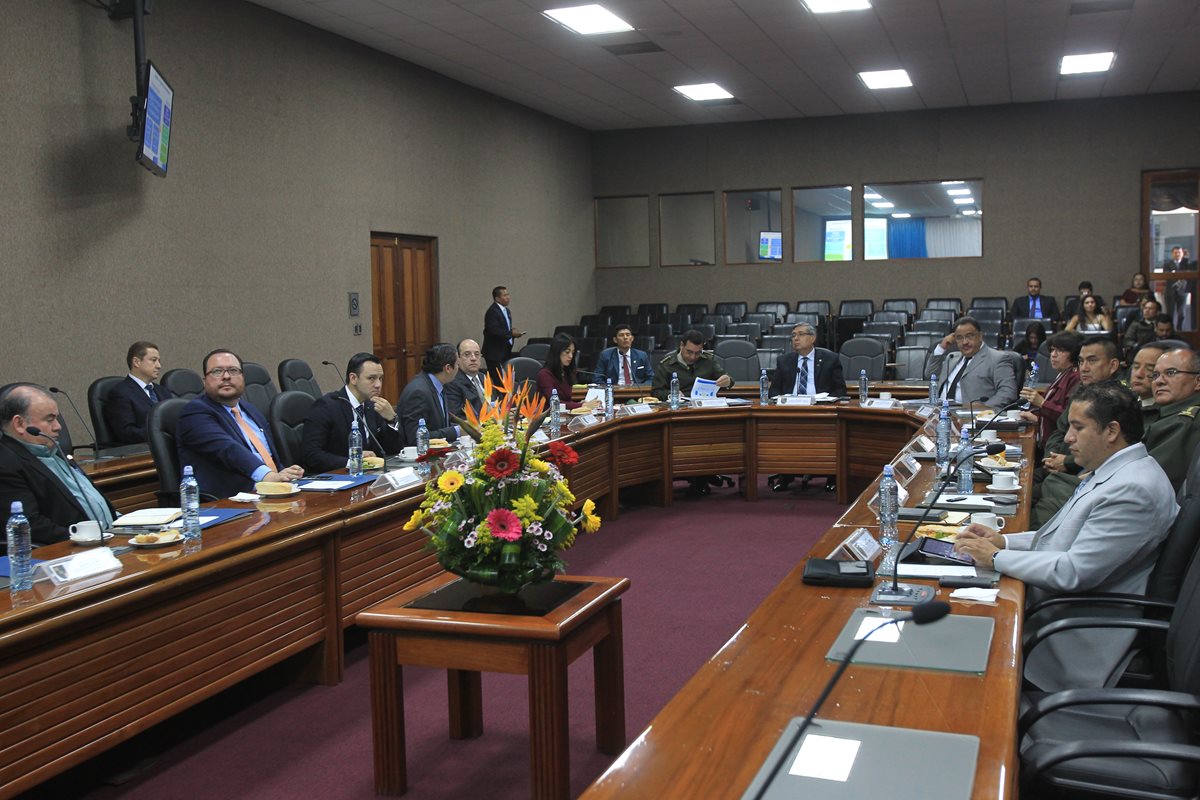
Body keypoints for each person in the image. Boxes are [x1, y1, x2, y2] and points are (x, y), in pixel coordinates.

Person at [955, 382, 1177, 691]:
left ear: (1111, 431)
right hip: (1050, 610)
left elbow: (1073, 572)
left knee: (959, 650)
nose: (1068, 437)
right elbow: (1062, 536)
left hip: (1070, 634)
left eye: (1078, 427)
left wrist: (994, 558)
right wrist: (1004, 542)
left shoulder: (1133, 490)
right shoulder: (1117, 471)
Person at [177, 349, 304, 498]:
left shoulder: (250, 410)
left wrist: (284, 474)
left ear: (243, 378)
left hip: (269, 492)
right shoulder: (194, 413)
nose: (226, 376)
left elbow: (268, 455)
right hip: (229, 500)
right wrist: (268, 476)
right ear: (205, 381)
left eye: (233, 370)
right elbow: (227, 449)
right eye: (217, 371)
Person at [0, 384, 117, 544]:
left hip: (108, 537)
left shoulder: (53, 451)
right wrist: (86, 538)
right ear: (19, 424)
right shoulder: (6, 464)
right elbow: (31, 526)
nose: (58, 427)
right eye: (50, 420)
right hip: (75, 548)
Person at [767, 322, 846, 493]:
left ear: (812, 338)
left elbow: (840, 390)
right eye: (793, 335)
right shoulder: (784, 360)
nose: (796, 338)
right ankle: (786, 473)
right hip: (790, 410)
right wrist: (781, 399)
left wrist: (827, 401)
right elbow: (774, 390)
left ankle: (832, 474)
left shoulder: (830, 359)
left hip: (821, 410)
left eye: (800, 334)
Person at [299, 352, 404, 473]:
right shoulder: (326, 407)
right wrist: (353, 462)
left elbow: (392, 450)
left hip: (370, 475)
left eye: (380, 378)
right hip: (338, 476)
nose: (378, 385)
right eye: (371, 378)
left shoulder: (372, 406)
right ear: (353, 378)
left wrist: (391, 420)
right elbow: (311, 455)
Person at [923, 316, 1019, 409]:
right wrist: (942, 347)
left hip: (970, 415)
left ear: (980, 336)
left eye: (969, 336)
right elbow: (930, 374)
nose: (965, 342)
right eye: (959, 337)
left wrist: (984, 407)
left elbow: (1008, 392)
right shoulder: (952, 357)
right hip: (940, 412)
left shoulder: (997, 358)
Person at [1141, 347, 1200, 489]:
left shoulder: (1187, 422)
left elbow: (1146, 477)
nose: (1159, 381)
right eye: (1155, 375)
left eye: (1170, 373)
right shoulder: (1158, 411)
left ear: (1198, 381)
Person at [103, 340, 175, 445]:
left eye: (159, 361)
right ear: (136, 362)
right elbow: (127, 434)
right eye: (153, 360)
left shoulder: (163, 391)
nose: (159, 366)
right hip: (144, 450)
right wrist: (161, 433)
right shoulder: (120, 393)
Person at [1018, 331, 1081, 447]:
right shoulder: (1062, 374)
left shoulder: (1076, 378)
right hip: (1048, 442)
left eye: (1060, 350)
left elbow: (1069, 418)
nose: (1053, 355)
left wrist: (1042, 403)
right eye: (1052, 350)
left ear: (1074, 353)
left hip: (1061, 446)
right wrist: (1036, 418)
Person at [398, 343, 461, 445]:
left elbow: (441, 425)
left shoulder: (439, 385)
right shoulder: (419, 392)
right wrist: (456, 431)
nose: (459, 368)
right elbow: (416, 438)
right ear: (448, 368)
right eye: (458, 364)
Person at [651, 329, 733, 400]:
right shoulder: (667, 364)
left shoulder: (709, 360)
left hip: (704, 405)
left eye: (697, 353)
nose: (693, 357)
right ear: (681, 345)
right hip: (679, 406)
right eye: (689, 352)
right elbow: (656, 392)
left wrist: (728, 381)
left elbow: (728, 380)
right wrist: (670, 394)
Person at [535, 333, 597, 410]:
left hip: (564, 414)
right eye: (567, 352)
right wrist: (581, 405)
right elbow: (555, 403)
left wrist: (580, 404)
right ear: (557, 352)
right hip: (549, 416)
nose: (571, 356)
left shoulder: (566, 372)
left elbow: (567, 400)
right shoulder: (544, 375)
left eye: (572, 352)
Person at [482, 286, 525, 381]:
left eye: (508, 294)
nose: (508, 297)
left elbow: (503, 328)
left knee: (506, 380)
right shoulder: (492, 311)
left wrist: (512, 332)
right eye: (505, 295)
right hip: (494, 352)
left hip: (505, 351)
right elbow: (493, 331)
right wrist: (511, 333)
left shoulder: (506, 311)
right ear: (497, 298)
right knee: (499, 381)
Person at [444, 338, 490, 418]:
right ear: (458, 358)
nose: (473, 358)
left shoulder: (485, 377)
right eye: (467, 354)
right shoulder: (452, 382)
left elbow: (495, 403)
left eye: (477, 354)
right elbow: (456, 417)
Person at [1129, 342, 1171, 412]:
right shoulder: (1122, 402)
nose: (1139, 374)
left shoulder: (1169, 412)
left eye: (1150, 369)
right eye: (1136, 367)